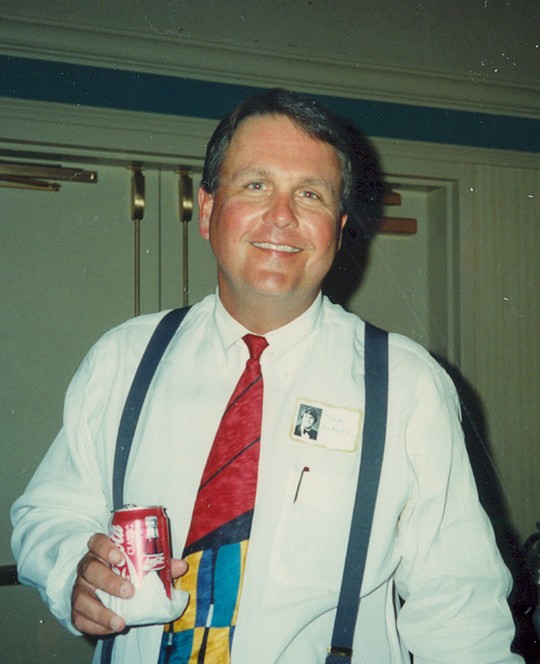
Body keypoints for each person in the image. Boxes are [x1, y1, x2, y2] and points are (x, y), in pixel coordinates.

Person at [11, 88, 522, 663]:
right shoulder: (124, 357)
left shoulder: (406, 384)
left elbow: (460, 610)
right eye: (256, 185)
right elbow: (47, 514)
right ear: (207, 211)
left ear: (338, 228)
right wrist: (72, 569)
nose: (282, 216)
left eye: (310, 194)